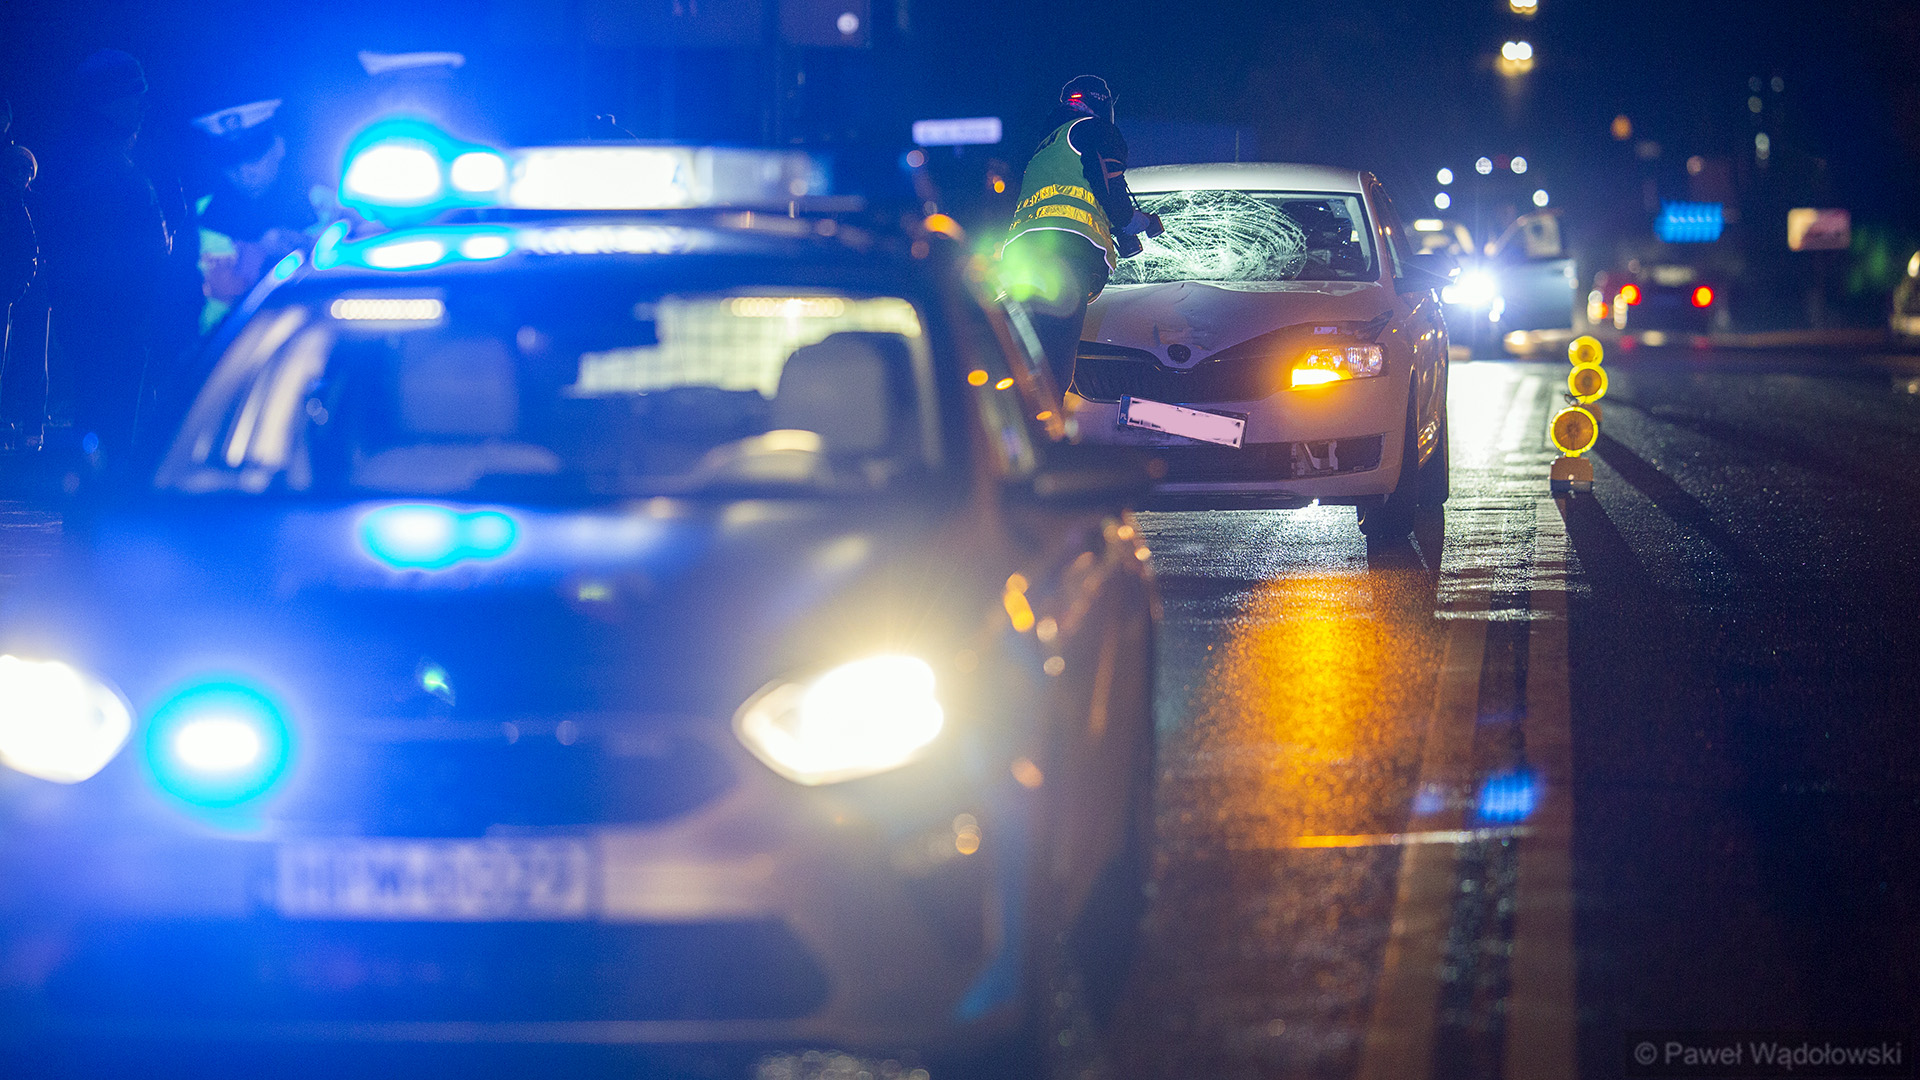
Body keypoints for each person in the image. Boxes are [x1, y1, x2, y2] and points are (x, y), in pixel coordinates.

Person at [30, 49, 173, 464]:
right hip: (116, 322)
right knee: (114, 434)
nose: (143, 106)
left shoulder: (96, 159)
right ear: (106, 102)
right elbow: (114, 256)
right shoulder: (102, 167)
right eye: (133, 95)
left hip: (105, 321)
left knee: (103, 426)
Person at [998, 75, 1162, 390]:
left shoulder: (1045, 146)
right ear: (1104, 104)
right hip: (1068, 255)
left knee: (1028, 361)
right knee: (1058, 361)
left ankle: (1024, 425)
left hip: (1020, 259)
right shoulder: (1097, 130)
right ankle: (1052, 434)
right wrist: (1142, 223)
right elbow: (1113, 197)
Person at [1, 98, 45, 451]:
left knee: (20, 356)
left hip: (12, 288)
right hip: (12, 286)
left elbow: (27, 245)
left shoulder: (22, 198)